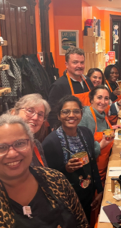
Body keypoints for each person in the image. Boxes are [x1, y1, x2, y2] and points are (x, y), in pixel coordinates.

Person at [0, 114, 88, 227]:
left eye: (20, 143)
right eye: (1, 147)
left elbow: (82, 223)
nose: (12, 153)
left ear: (32, 146)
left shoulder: (56, 179)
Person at [42, 95, 103, 223]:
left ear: (81, 114)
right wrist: (66, 169)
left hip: (87, 193)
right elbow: (48, 180)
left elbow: (92, 163)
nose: (71, 115)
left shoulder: (86, 133)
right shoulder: (50, 142)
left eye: (76, 111)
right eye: (66, 112)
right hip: (66, 202)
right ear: (59, 116)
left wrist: (99, 190)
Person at [79, 86, 120, 184]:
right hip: (94, 172)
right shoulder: (86, 116)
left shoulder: (101, 114)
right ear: (91, 99)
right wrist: (100, 145)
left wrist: (112, 128)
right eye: (99, 97)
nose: (103, 101)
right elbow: (81, 150)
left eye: (106, 98)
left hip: (106, 165)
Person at [48, 47, 94, 129]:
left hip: (90, 127)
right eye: (75, 62)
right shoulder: (59, 85)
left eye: (82, 62)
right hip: (70, 130)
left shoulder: (87, 81)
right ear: (66, 64)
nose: (79, 66)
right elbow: (53, 114)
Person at [12, 94, 51, 167]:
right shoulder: (2, 146)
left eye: (40, 114)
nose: (35, 117)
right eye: (30, 111)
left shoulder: (36, 144)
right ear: (14, 113)